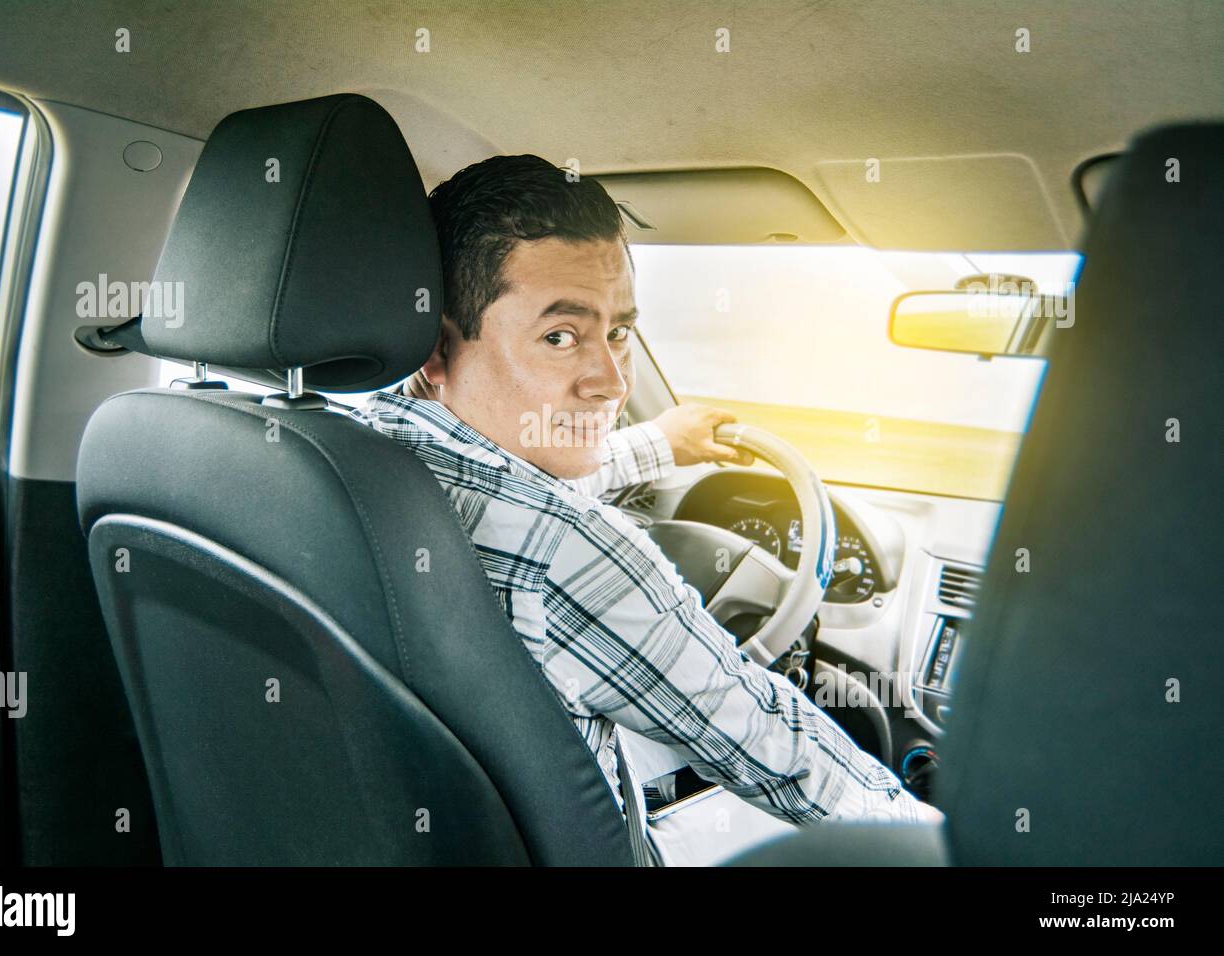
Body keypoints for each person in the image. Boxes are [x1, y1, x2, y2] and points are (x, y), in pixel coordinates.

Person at [345, 154, 943, 863]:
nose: (611, 382)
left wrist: (657, 446)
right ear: (436, 345)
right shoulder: (570, 550)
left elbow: (511, 484)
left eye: (620, 331)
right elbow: (771, 742)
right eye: (560, 337)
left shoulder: (340, 452)